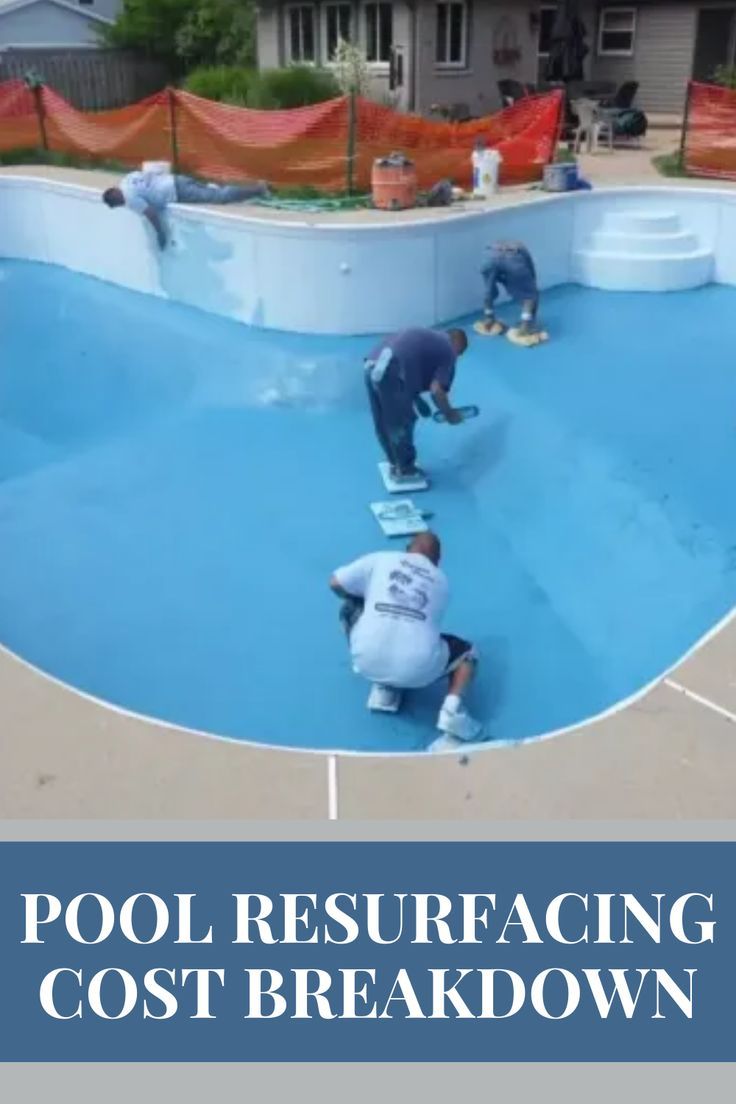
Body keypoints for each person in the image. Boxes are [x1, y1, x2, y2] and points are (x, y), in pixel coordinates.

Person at [329, 531, 482, 742]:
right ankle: (451, 710)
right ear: (437, 561)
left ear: (408, 548)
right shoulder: (441, 581)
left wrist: (364, 596)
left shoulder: (381, 558)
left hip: (366, 661)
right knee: (468, 654)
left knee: (349, 607)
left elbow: (335, 583)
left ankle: (384, 687)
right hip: (419, 670)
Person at [364, 326, 468, 481]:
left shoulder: (429, 337)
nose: (457, 358)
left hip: (371, 363)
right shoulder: (448, 351)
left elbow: (411, 361)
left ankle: (394, 461)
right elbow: (437, 391)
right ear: (457, 345)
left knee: (383, 419)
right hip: (392, 369)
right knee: (402, 421)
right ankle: (406, 470)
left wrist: (417, 400)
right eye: (460, 353)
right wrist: (449, 413)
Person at [102, 170, 270, 250]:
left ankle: (258, 189)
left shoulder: (129, 199)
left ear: (116, 199)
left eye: (118, 204)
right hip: (176, 179)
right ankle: (219, 190)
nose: (121, 205)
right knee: (210, 192)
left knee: (220, 197)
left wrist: (161, 235)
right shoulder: (126, 180)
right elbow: (149, 174)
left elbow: (151, 214)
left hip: (177, 192)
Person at [477, 241, 542, 341]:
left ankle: (489, 318)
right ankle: (525, 326)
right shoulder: (522, 251)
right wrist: (532, 290)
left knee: (489, 290)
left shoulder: (496, 246)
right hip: (513, 260)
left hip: (490, 257)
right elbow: (531, 274)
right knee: (530, 296)